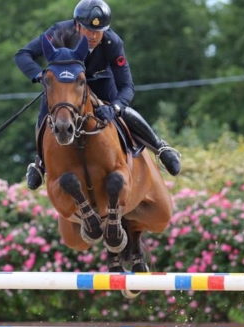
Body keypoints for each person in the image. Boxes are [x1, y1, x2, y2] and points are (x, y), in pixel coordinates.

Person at [14, 0, 182, 191]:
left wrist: (115, 107)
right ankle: (39, 162)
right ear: (77, 25)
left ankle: (160, 148)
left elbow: (126, 85)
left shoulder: (112, 42)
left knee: (124, 113)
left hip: (101, 84)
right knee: (46, 116)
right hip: (67, 86)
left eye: (99, 31)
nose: (93, 36)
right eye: (88, 30)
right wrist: (40, 75)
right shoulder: (59, 32)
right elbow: (23, 55)